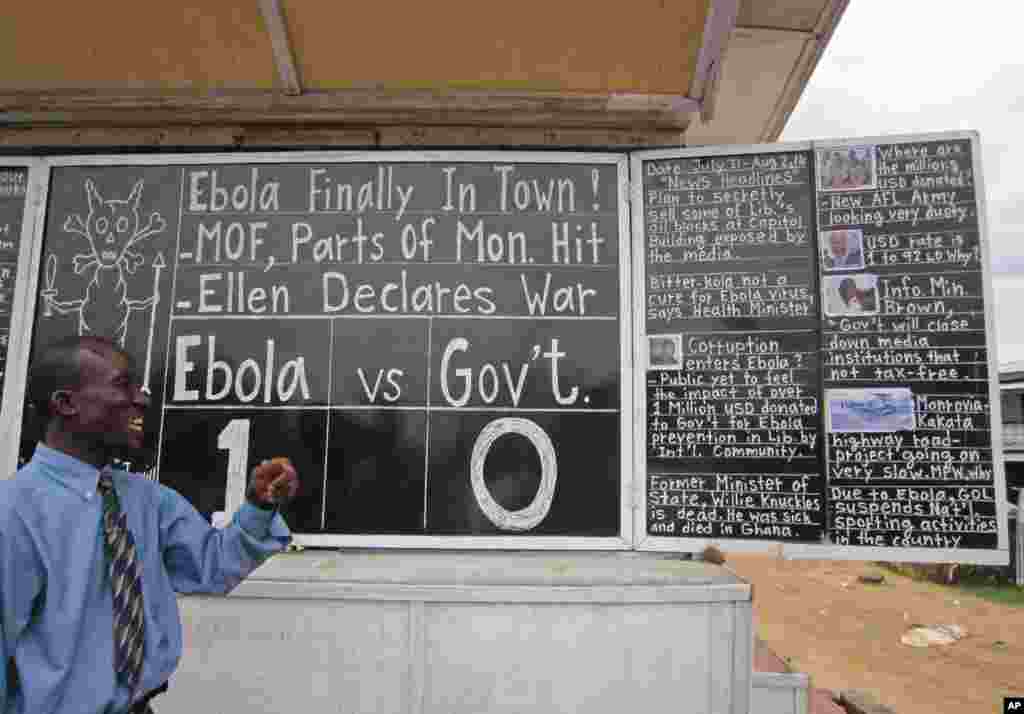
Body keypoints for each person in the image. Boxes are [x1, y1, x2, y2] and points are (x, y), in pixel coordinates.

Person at [0, 335, 300, 714]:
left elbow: (212, 566)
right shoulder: (14, 513)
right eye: (122, 384)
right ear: (65, 403)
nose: (141, 398)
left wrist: (259, 506)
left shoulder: (145, 499)